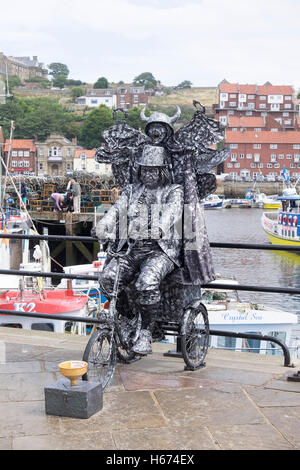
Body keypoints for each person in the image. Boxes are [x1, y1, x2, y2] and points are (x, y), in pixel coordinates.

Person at [94, 145, 183, 355]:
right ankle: (130, 317)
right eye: (144, 170)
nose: (148, 174)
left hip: (161, 250)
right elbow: (117, 209)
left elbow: (172, 212)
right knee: (107, 279)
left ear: (162, 171)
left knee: (147, 282)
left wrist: (158, 229)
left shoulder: (173, 190)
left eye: (152, 170)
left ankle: (145, 332)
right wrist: (103, 226)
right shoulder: (132, 190)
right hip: (132, 248)